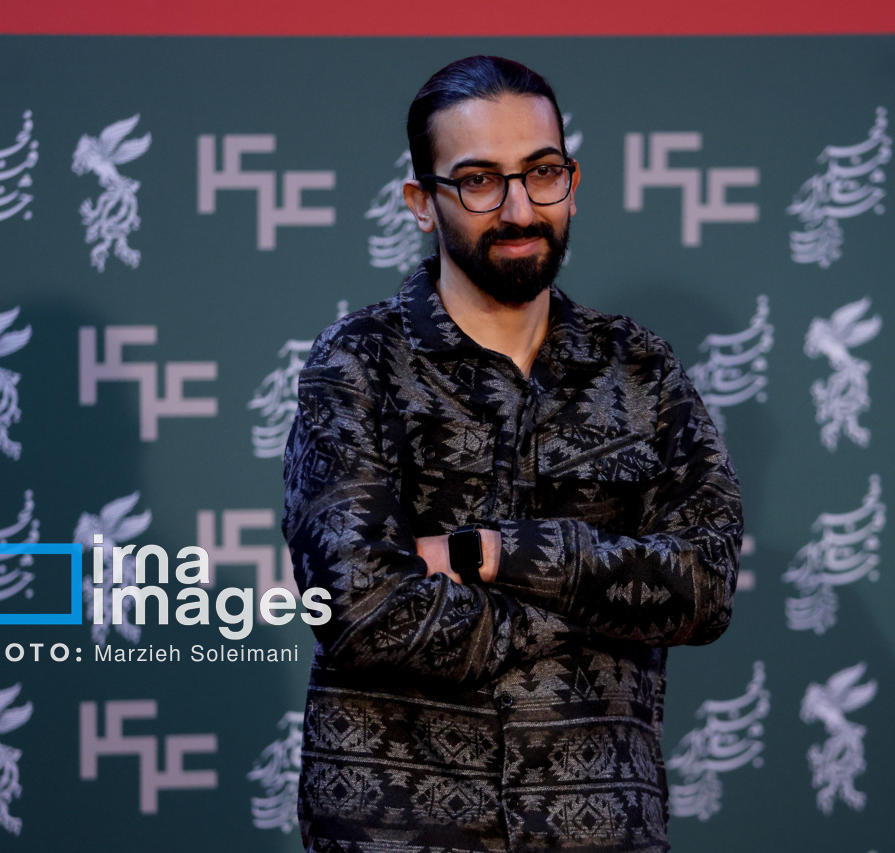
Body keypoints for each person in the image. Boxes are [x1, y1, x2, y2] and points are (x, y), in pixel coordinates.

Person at [282, 55, 742, 853]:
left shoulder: (640, 368)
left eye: (542, 172)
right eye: (480, 181)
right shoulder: (357, 364)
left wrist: (493, 553)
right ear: (422, 203)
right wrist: (601, 607)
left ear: (573, 180)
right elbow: (360, 611)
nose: (520, 208)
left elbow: (703, 586)